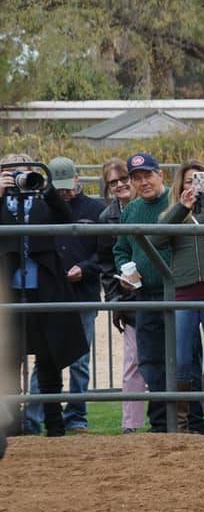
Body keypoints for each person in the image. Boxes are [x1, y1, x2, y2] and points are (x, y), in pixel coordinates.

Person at [0, 153, 88, 437]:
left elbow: (65, 218)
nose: (18, 178)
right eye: (10, 172)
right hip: (9, 288)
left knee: (49, 356)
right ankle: (12, 425)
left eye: (23, 171)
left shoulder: (42, 197)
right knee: (10, 356)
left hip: (45, 284)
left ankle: (54, 423)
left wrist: (46, 189)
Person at [152, 160, 204, 437]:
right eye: (188, 181)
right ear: (179, 186)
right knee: (182, 360)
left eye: (199, 180)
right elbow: (156, 241)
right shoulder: (173, 212)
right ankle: (182, 427)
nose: (193, 186)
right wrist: (182, 208)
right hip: (184, 292)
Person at [22, 157, 104, 434]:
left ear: (78, 179)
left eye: (67, 187)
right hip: (51, 292)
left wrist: (85, 268)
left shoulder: (95, 209)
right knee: (46, 356)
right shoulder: (40, 207)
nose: (64, 193)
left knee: (79, 359)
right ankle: (34, 418)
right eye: (59, 188)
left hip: (81, 292)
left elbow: (104, 251)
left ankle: (76, 417)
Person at [113, 152, 173, 433]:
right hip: (144, 294)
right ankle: (160, 423)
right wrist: (126, 270)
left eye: (147, 175)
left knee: (183, 358)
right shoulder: (131, 210)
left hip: (176, 294)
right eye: (136, 178)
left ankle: (189, 422)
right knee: (149, 360)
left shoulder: (175, 202)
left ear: (160, 174)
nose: (143, 181)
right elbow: (121, 248)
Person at [97, 158, 147, 433]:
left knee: (169, 358)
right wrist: (116, 301)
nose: (120, 185)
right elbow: (106, 265)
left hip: (156, 292)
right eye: (113, 182)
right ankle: (131, 425)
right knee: (133, 360)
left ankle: (172, 420)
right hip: (128, 299)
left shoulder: (151, 207)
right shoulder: (107, 218)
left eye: (124, 178)